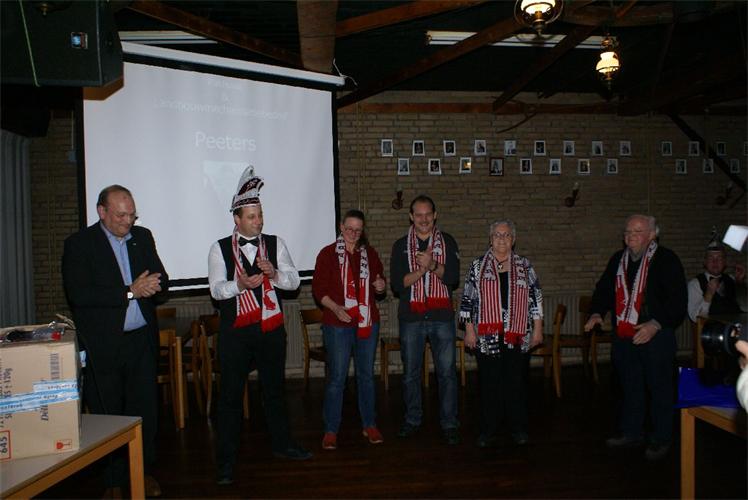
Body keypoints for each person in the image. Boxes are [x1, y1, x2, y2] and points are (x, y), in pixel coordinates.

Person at [62, 184, 167, 497]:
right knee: (109, 415)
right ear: (102, 211)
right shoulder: (80, 244)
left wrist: (155, 286)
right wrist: (129, 291)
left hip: (141, 342)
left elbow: (161, 278)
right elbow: (79, 294)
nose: (127, 221)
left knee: (145, 411)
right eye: (121, 215)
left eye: (132, 215)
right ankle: (113, 481)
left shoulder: (142, 237)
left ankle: (143, 473)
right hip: (104, 345)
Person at [208, 166, 310, 486]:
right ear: (237, 219)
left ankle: (282, 444)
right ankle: (226, 461)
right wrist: (238, 285)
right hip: (235, 332)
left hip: (270, 329)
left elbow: (294, 282)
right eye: (252, 216)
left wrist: (274, 274)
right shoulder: (219, 248)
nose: (259, 221)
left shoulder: (276, 244)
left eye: (261, 215)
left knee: (275, 390)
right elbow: (216, 290)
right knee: (230, 396)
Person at [584, 214, 687, 461]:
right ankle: (632, 432)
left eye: (637, 231)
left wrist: (656, 324)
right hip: (625, 334)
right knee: (630, 386)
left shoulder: (667, 260)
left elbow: (678, 300)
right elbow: (604, 289)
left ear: (652, 235)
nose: (631, 236)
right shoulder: (618, 260)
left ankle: (661, 438)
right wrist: (597, 312)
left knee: (660, 388)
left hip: (656, 335)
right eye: (628, 232)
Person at [460, 220, 543, 447]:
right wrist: (469, 331)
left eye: (506, 235)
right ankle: (488, 429)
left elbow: (535, 298)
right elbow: (467, 300)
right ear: (490, 239)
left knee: (516, 383)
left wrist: (537, 328)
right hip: (486, 337)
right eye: (497, 235)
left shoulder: (525, 266)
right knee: (489, 384)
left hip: (518, 335)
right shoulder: (478, 266)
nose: (501, 239)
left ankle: (518, 428)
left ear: (513, 240)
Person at [312, 209, 387, 450]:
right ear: (341, 227)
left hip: (367, 323)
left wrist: (380, 285)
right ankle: (331, 430)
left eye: (358, 229)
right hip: (337, 324)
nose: (353, 233)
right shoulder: (327, 254)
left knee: (366, 376)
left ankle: (370, 424)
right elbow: (318, 290)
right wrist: (335, 308)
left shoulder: (370, 254)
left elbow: (380, 286)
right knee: (337, 377)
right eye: (349, 229)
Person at [390, 195, 461, 445]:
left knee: (447, 373)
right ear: (411, 217)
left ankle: (449, 423)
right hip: (411, 317)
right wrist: (421, 270)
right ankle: (412, 420)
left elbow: (452, 278)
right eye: (418, 214)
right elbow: (398, 285)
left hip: (442, 317)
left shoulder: (448, 241)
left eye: (428, 214)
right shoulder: (400, 245)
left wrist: (432, 265)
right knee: (411, 373)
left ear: (435, 215)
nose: (423, 219)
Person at [687, 241, 744, 322]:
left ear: (725, 262)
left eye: (719, 258)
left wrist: (740, 284)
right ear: (705, 262)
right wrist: (708, 296)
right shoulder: (695, 284)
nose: (715, 262)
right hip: (710, 329)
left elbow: (744, 308)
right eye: (711, 258)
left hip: (733, 328)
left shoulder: (732, 280)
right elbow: (695, 318)